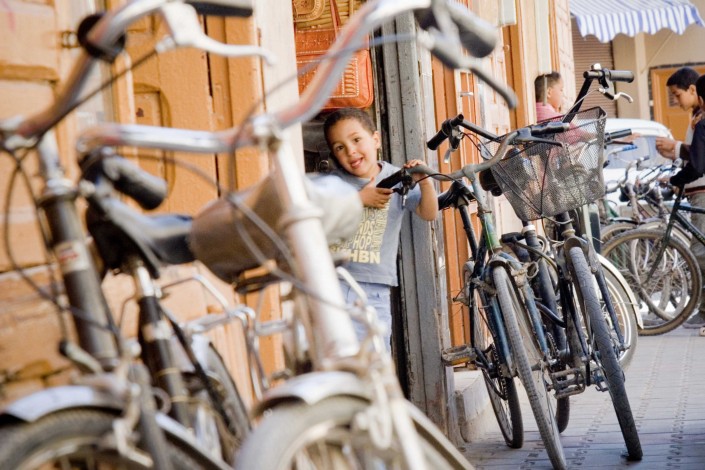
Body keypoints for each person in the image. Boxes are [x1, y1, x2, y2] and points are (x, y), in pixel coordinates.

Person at [323, 107, 438, 350]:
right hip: (333, 284)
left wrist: (425, 183)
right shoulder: (333, 184)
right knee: (338, 358)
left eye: (356, 140)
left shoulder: (396, 177)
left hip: (375, 288)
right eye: (339, 147)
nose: (350, 151)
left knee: (376, 359)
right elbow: (316, 216)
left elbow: (428, 213)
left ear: (375, 139)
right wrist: (358, 199)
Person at [668, 72, 705, 329]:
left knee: (700, 253)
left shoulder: (701, 121)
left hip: (701, 190)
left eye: (677, 95)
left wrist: (676, 179)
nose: (676, 101)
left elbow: (699, 162)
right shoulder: (697, 119)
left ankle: (703, 312)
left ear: (695, 91)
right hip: (696, 190)